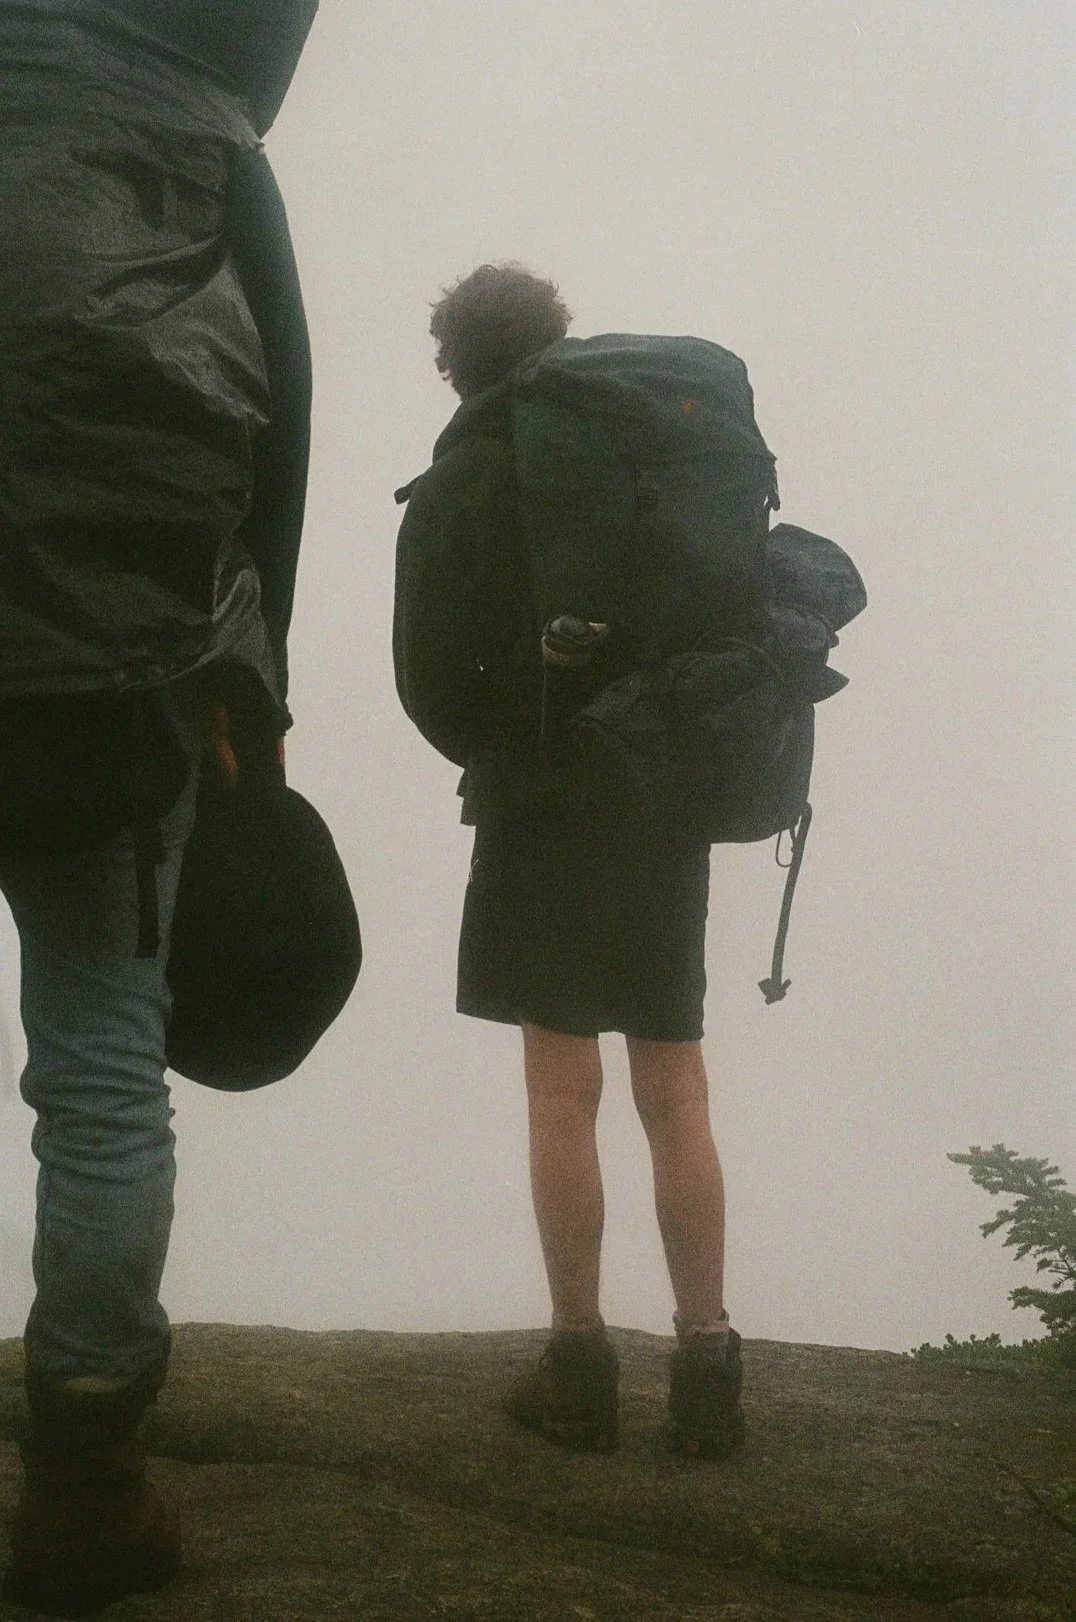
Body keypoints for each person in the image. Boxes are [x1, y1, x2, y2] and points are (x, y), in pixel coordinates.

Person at [0, 1, 317, 1611]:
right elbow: (281, 432)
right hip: (123, 683)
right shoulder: (203, 130)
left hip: (115, 669)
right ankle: (82, 1481)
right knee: (104, 1069)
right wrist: (252, 690)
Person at [394, 263, 751, 1459]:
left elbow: (430, 682)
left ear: (457, 362)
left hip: (541, 797)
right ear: (555, 337)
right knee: (675, 1084)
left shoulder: (467, 470)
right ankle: (707, 1364)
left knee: (562, 1088)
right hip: (664, 788)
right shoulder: (643, 445)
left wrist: (507, 733)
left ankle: (578, 1365)